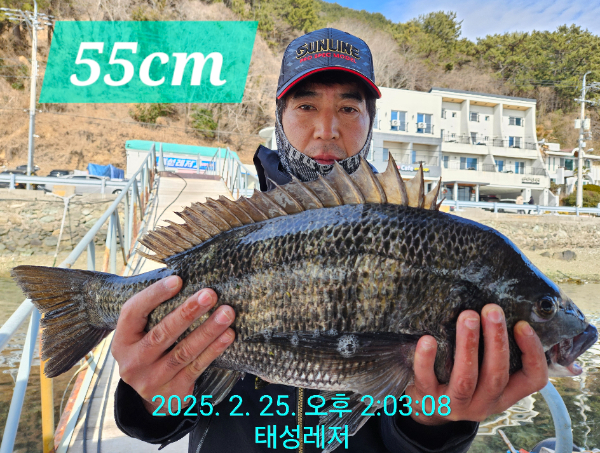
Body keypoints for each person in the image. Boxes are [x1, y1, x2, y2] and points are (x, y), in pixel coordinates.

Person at [112, 28, 549, 452]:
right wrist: (150, 399)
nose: (327, 129)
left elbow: (410, 423)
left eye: (348, 109)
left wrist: (435, 424)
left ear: (370, 122)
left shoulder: (425, 237)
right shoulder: (230, 238)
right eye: (306, 105)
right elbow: (173, 416)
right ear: (280, 118)